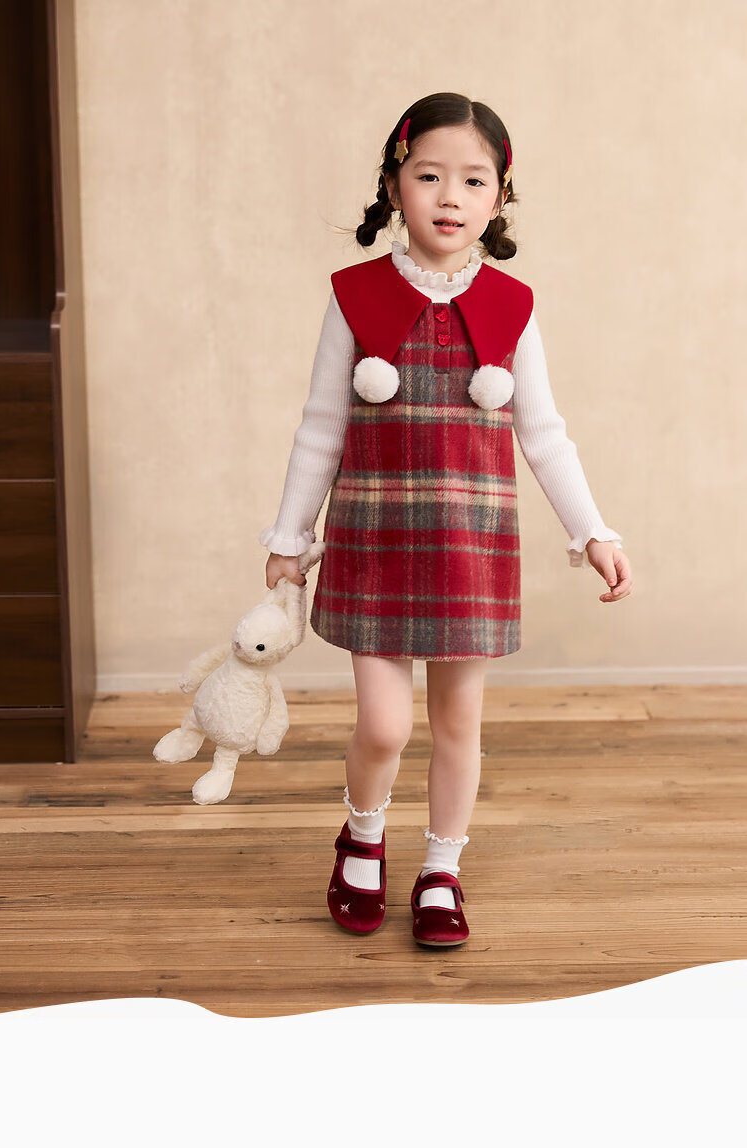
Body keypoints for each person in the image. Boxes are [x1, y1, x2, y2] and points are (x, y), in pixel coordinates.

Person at [260, 92, 632, 948]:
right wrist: (289, 537)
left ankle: (441, 869)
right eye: (429, 176)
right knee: (385, 726)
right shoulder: (354, 296)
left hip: (471, 549)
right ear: (396, 184)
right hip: (375, 543)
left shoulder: (512, 305)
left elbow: (543, 433)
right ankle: (362, 837)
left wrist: (594, 531)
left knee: (459, 725)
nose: (450, 197)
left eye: (473, 180)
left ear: (500, 197)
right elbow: (321, 426)